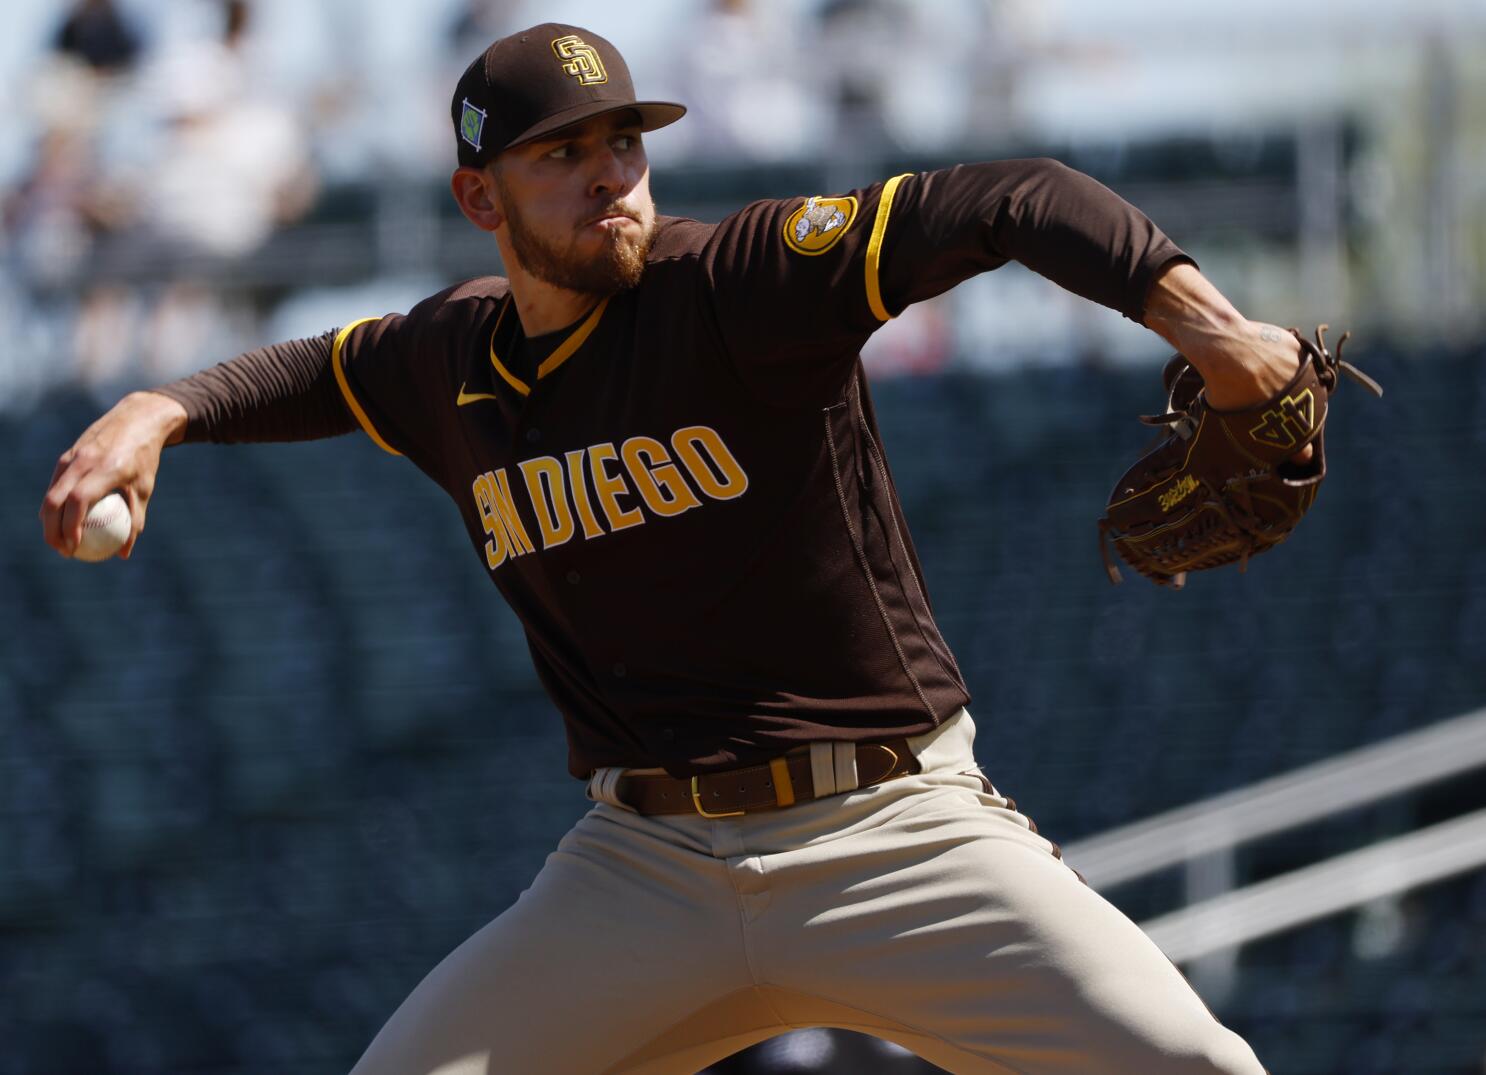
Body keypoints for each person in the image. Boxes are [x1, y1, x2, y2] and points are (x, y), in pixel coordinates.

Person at [40, 23, 1295, 1074]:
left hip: (887, 833)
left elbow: (1012, 200)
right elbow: (313, 369)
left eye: (626, 141)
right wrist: (165, 408)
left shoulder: (733, 282)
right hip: (642, 869)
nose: (612, 175)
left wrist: (1215, 332)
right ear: (480, 197)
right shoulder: (454, 358)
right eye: (562, 153)